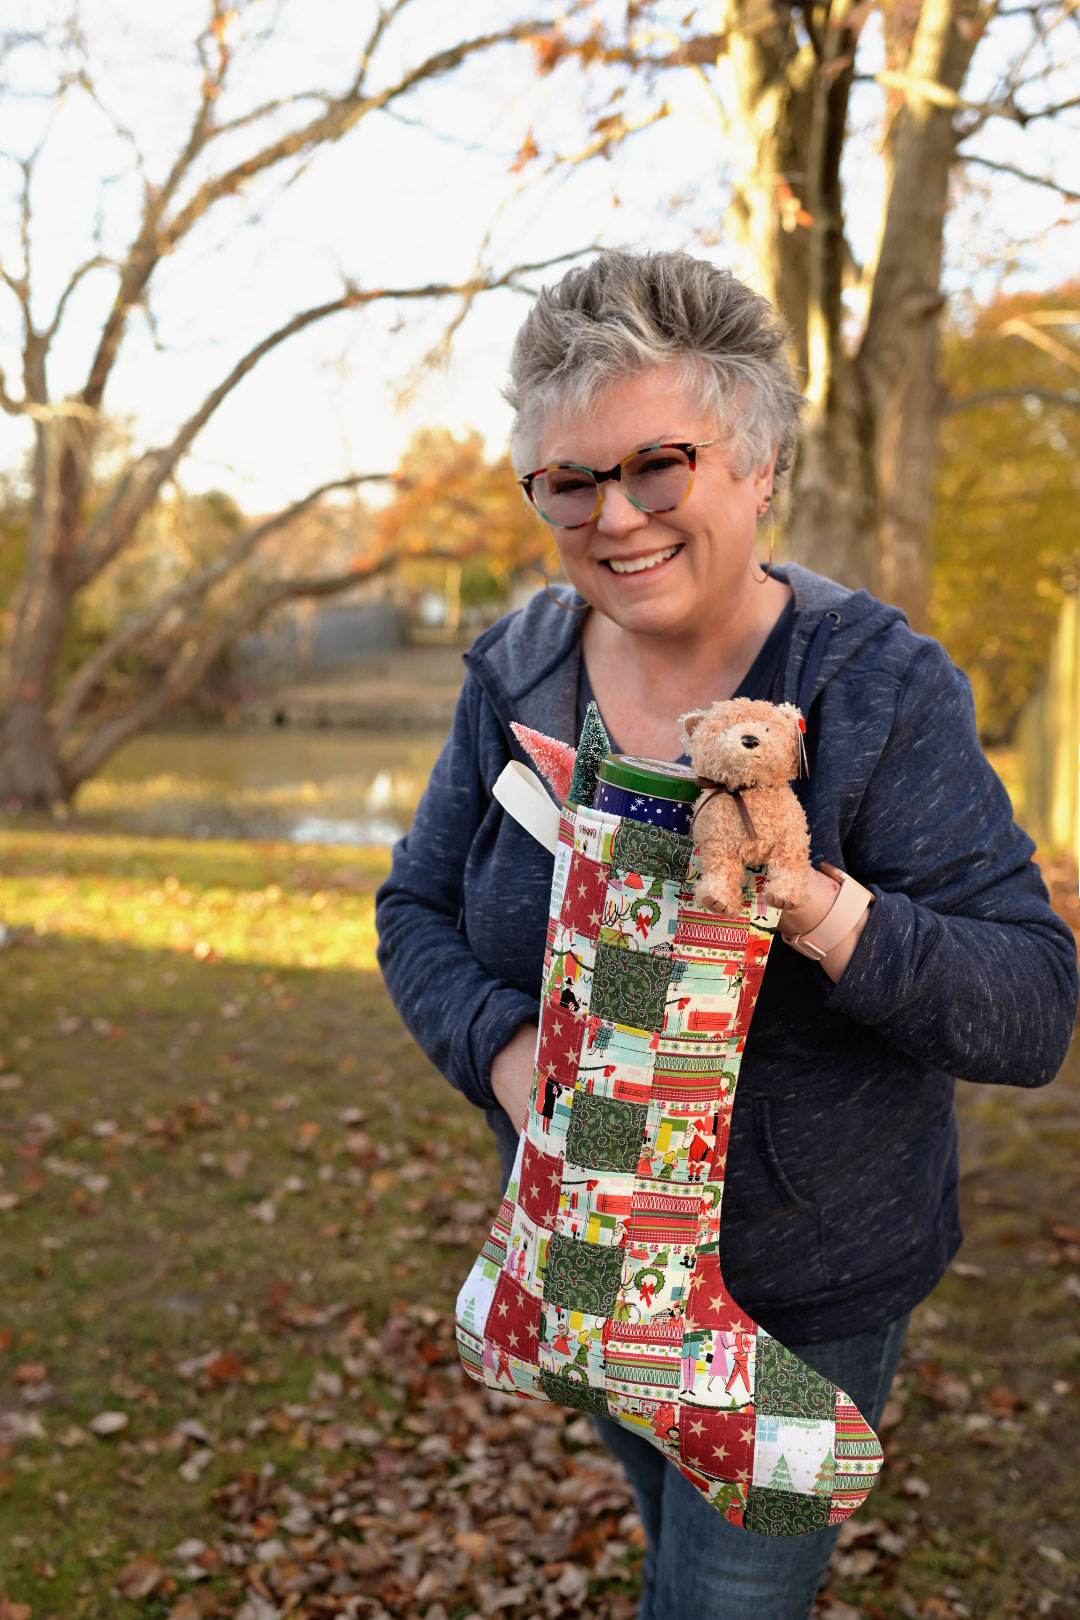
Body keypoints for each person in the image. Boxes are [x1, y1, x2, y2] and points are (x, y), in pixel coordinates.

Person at [375, 251, 1078, 1620]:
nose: (613, 518)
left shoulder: (875, 689)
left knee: (728, 1602)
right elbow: (413, 912)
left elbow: (1033, 1005)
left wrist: (816, 906)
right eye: (568, 481)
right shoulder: (515, 666)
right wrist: (522, 1062)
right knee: (666, 1527)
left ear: (757, 467)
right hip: (576, 1253)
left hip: (798, 1291)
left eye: (657, 465)